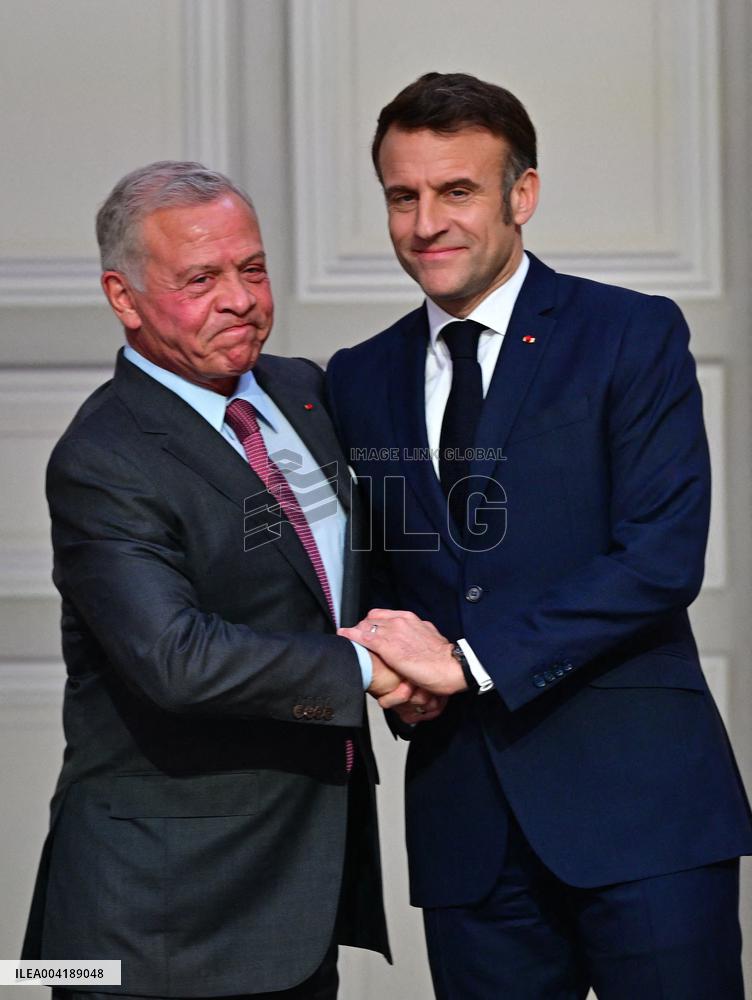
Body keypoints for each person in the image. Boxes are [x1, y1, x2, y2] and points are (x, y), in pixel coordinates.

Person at [328, 73, 752, 999]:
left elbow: (660, 556)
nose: (426, 221)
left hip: (643, 817)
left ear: (522, 195)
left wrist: (471, 662)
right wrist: (395, 676)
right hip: (466, 831)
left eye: (457, 190)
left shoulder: (629, 333)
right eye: (404, 195)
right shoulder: (358, 379)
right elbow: (376, 572)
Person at [21, 160, 430, 999]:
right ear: (123, 297)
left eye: (252, 268)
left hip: (296, 900)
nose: (240, 299)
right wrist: (371, 671)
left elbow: (350, 577)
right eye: (201, 278)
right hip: (153, 920)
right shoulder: (103, 459)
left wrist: (425, 651)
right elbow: (176, 657)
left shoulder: (303, 392)